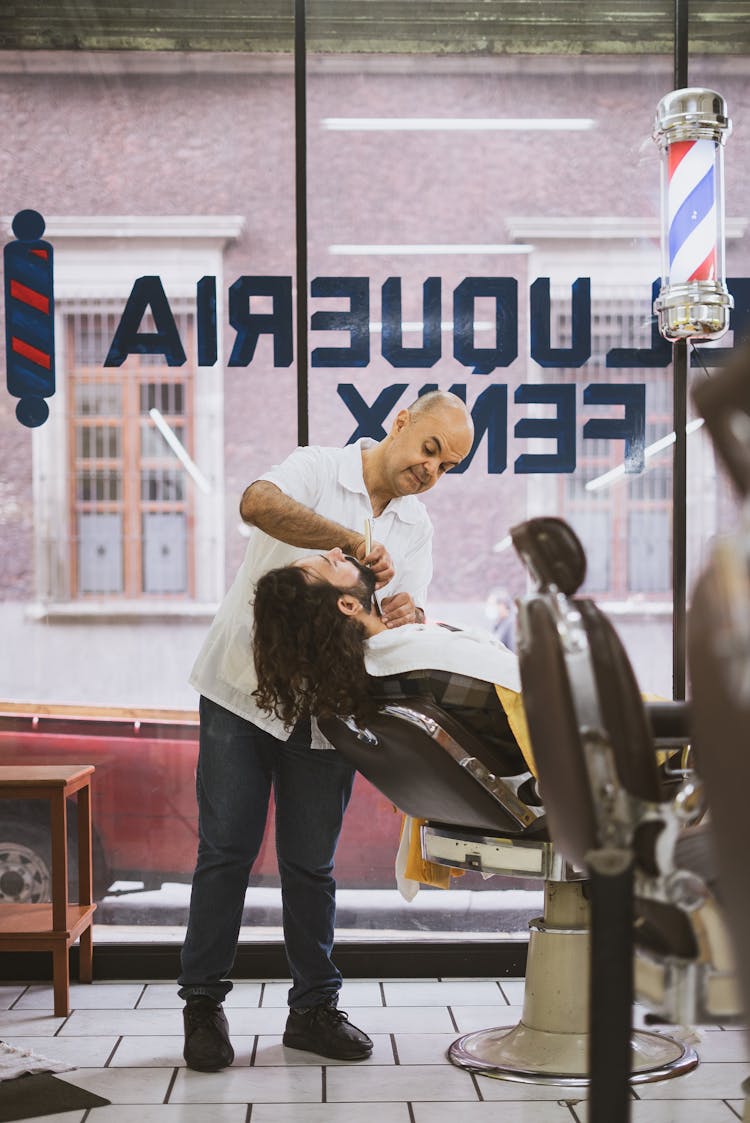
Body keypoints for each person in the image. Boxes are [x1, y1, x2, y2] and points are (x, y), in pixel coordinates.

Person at [178, 391, 474, 1072]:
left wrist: (407, 611)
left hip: (326, 712)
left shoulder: (416, 528)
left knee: (310, 864)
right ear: (400, 422)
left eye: (447, 465)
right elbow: (255, 503)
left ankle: (314, 1008)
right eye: (429, 448)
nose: (431, 469)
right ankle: (202, 1004)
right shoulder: (318, 468)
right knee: (226, 851)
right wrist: (344, 539)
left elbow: (393, 626)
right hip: (240, 692)